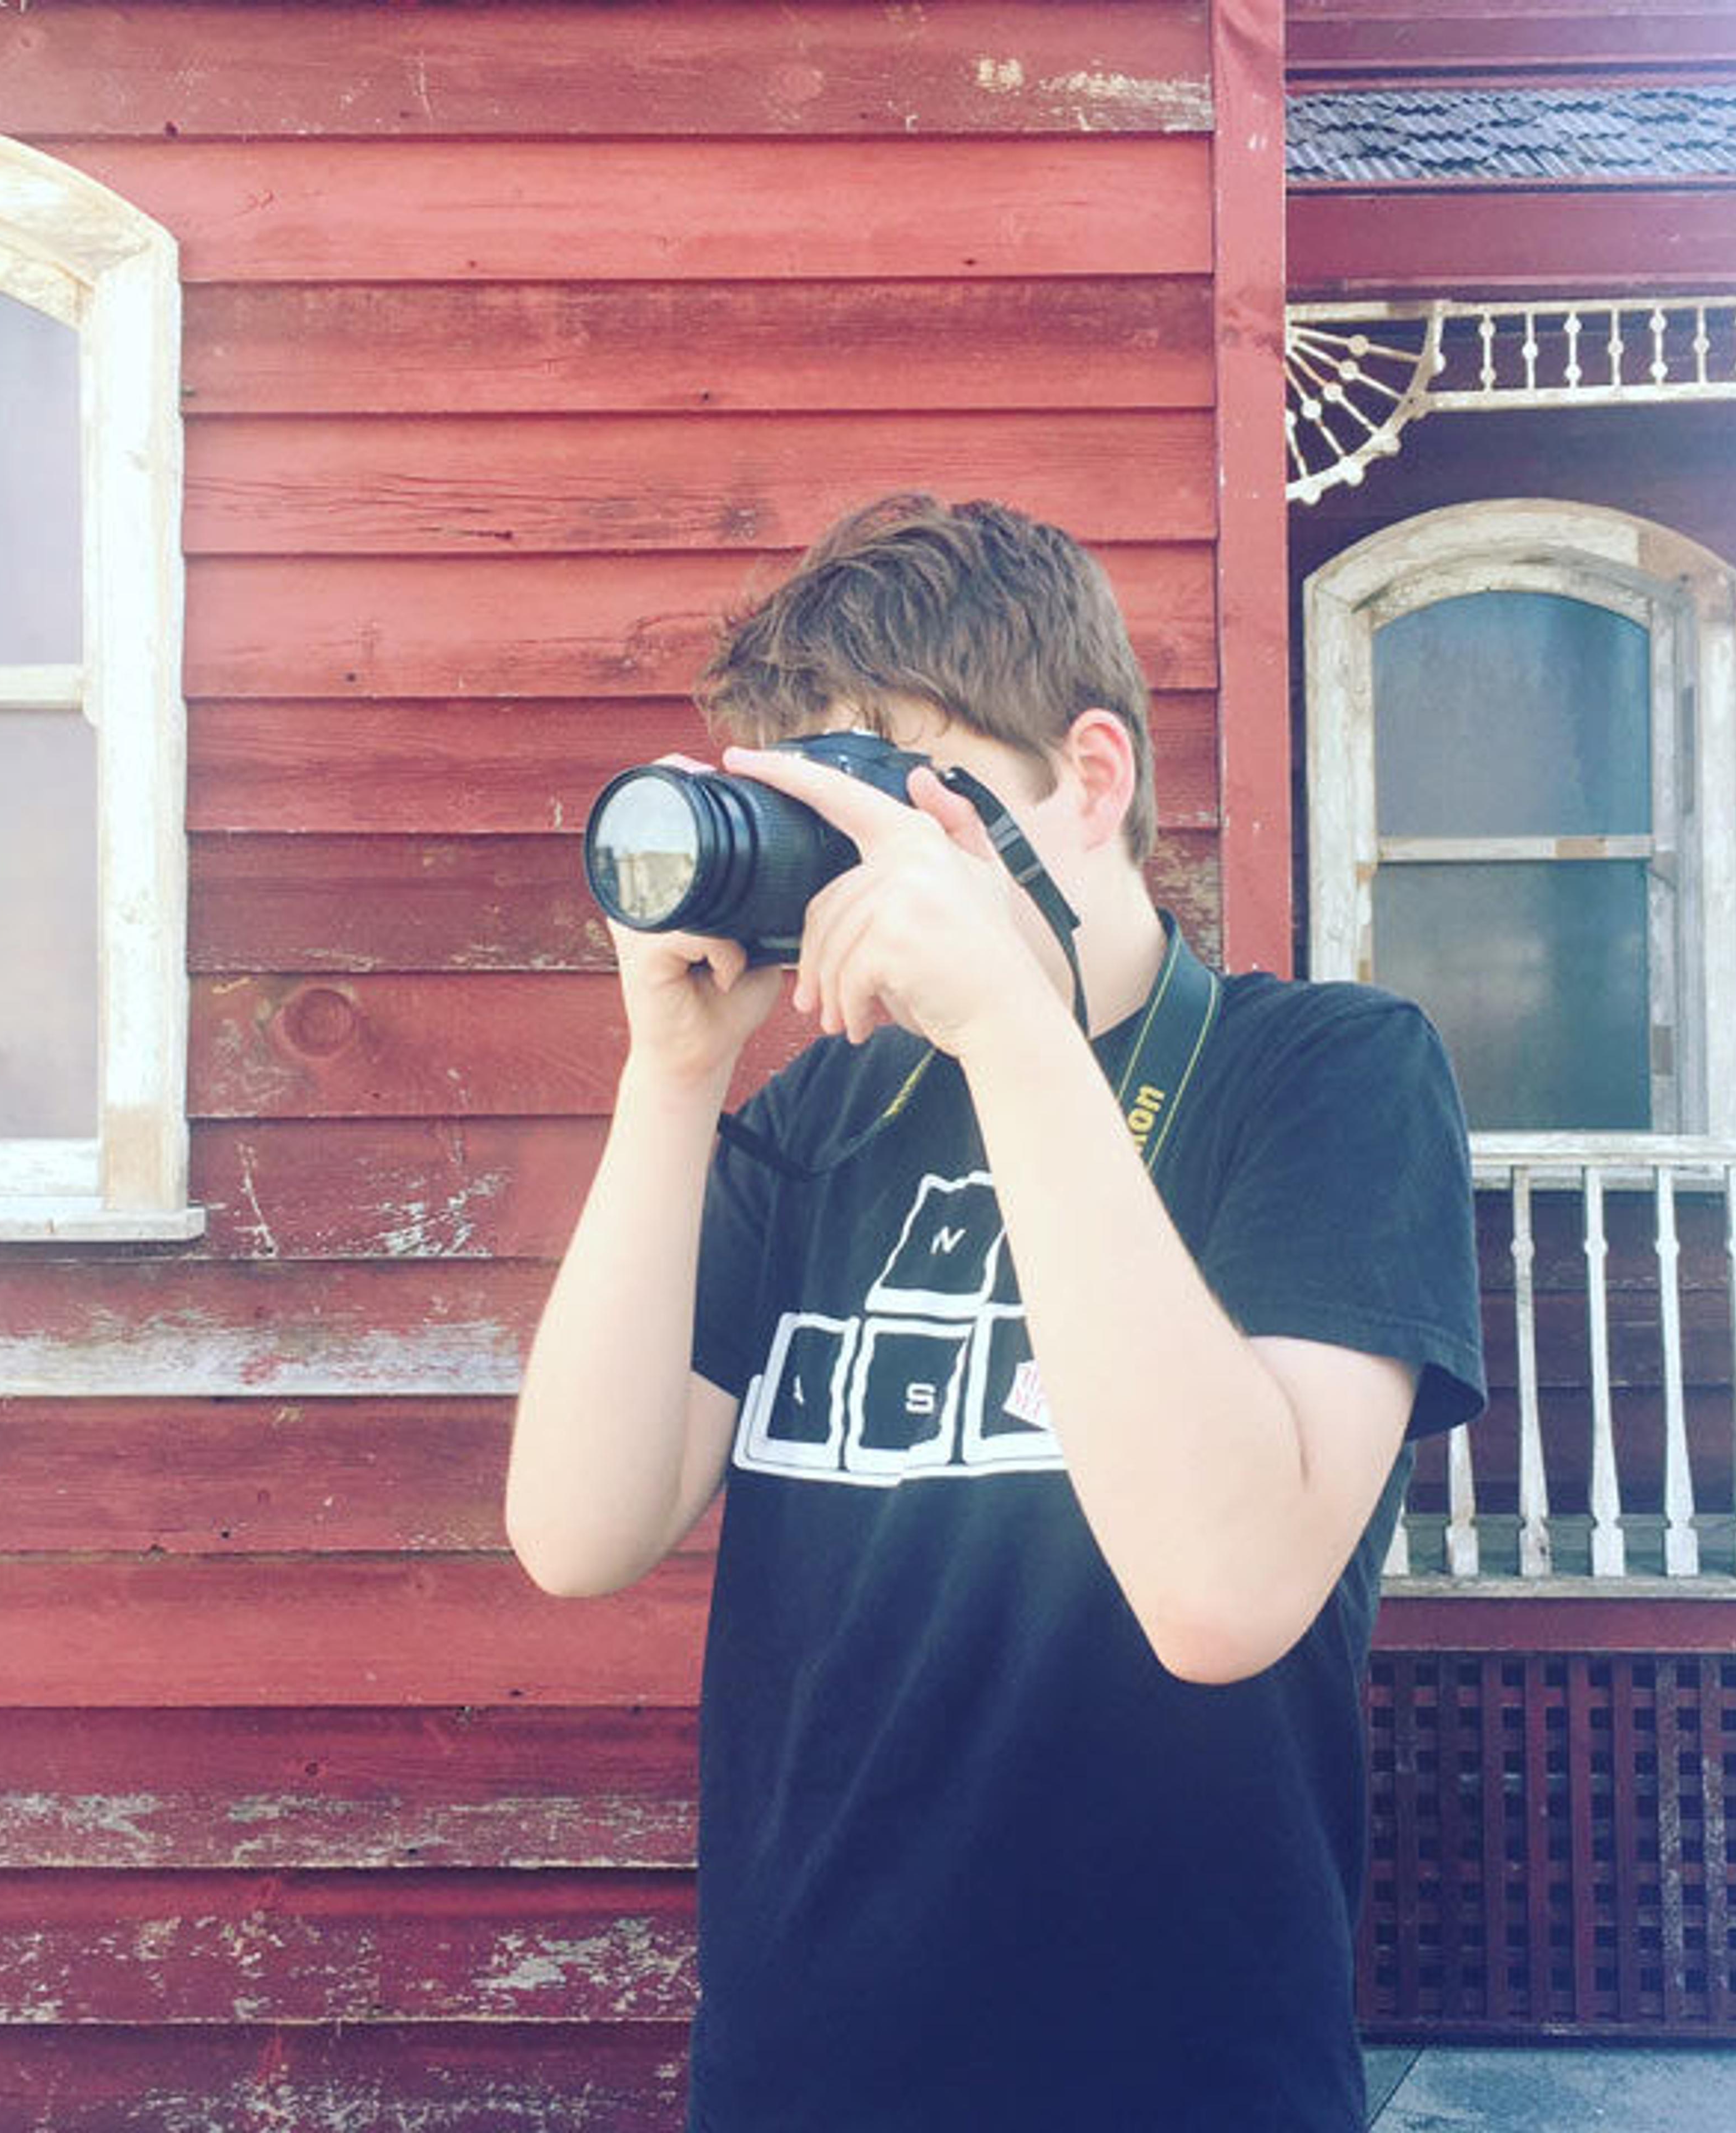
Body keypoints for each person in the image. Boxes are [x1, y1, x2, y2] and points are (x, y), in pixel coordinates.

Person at [506, 494, 1484, 2132]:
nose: (852, 870)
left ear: (1087, 779)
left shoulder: (1323, 1078)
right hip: (796, 2080)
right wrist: (672, 1081)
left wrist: (1014, 1037)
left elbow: (1224, 1593)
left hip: (1173, 2083)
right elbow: (575, 1530)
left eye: (883, 797)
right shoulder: (822, 1120)